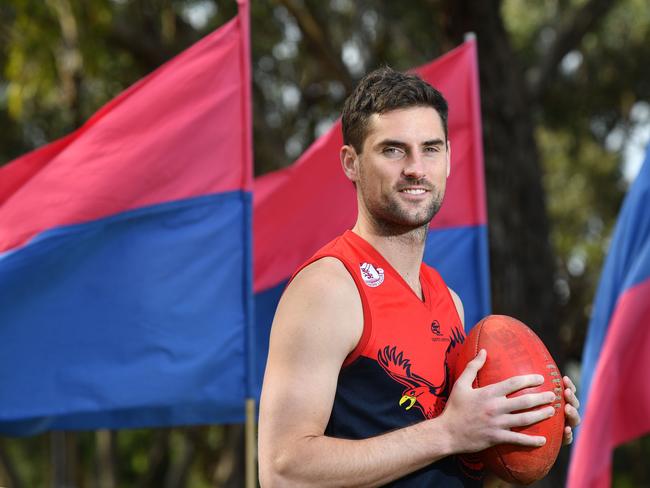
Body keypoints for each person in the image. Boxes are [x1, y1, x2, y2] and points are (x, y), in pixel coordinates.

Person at [258, 67, 580, 487]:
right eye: (393, 150)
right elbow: (283, 470)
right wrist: (448, 433)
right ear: (351, 163)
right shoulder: (329, 287)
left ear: (448, 156)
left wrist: (520, 418)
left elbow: (439, 448)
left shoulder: (448, 298)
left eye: (430, 149)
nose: (415, 168)